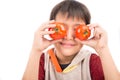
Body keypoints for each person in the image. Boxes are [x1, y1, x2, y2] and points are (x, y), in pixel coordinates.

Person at [22, 0, 120, 80]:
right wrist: (36, 50)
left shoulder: (92, 61)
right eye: (61, 28)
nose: (68, 37)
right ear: (49, 28)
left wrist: (103, 49)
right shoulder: (42, 61)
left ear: (88, 31)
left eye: (76, 29)